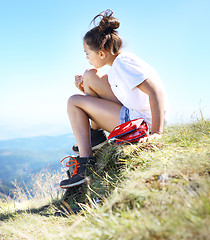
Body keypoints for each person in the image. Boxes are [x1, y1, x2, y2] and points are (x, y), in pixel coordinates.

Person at [60, 9, 167, 189]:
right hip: (134, 114)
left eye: (87, 53)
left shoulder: (124, 64)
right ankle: (95, 137)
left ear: (101, 54)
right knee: (89, 75)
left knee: (73, 101)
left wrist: (156, 132)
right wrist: (86, 88)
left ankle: (86, 163)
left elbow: (156, 92)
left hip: (141, 124)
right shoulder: (120, 63)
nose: (86, 57)